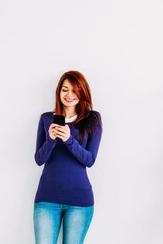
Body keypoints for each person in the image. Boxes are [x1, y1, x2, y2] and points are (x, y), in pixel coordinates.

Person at [33, 70, 103, 244]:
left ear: (82, 92)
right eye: (65, 90)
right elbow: (39, 159)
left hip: (79, 201)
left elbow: (90, 160)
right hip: (47, 199)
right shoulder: (46, 119)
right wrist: (51, 139)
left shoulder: (93, 119)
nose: (69, 95)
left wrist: (68, 139)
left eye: (74, 90)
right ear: (59, 92)